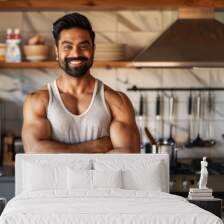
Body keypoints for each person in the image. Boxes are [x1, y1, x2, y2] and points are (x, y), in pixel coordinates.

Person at [22, 13, 140, 153]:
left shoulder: (116, 102)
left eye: (83, 46)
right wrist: (95, 147)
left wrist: (58, 150)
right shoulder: (38, 100)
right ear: (57, 52)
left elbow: (128, 156)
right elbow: (34, 151)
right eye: (67, 46)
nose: (76, 53)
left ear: (93, 49)